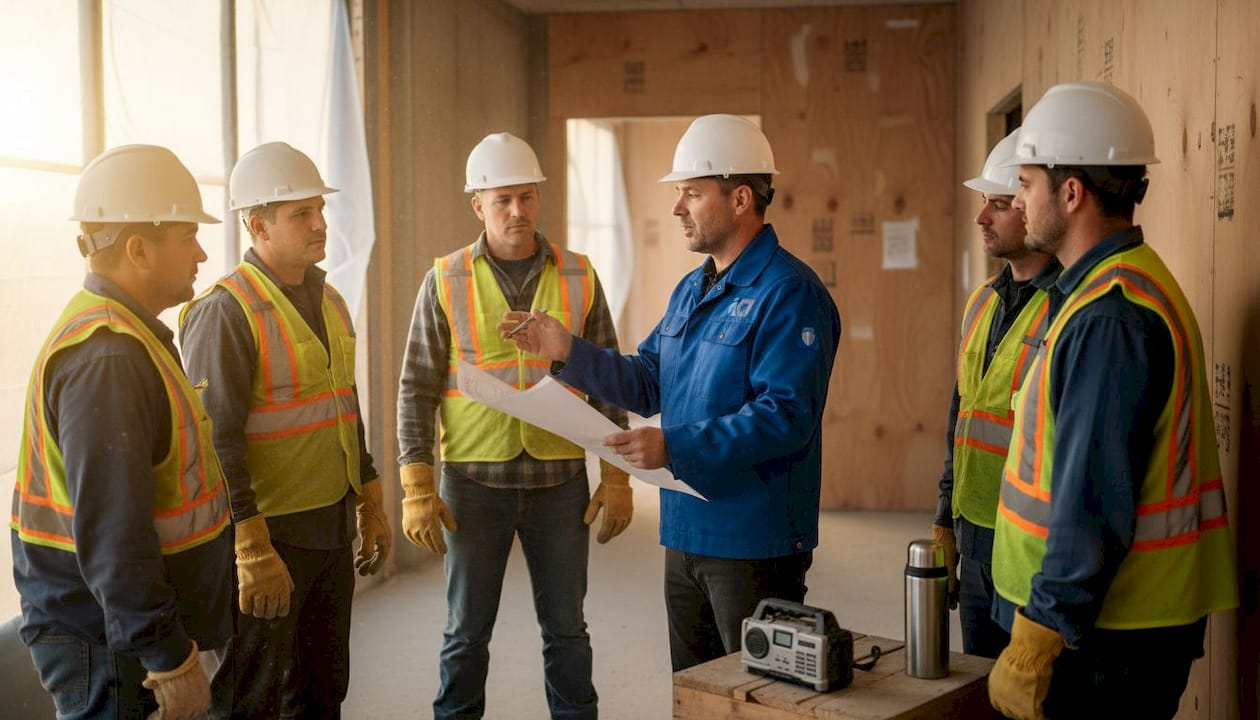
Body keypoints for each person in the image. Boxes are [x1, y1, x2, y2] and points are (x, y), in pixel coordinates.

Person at [505, 114, 842, 672]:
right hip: (685, 531)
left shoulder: (790, 293)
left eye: (691, 192)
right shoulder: (693, 288)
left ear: (739, 199)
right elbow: (648, 379)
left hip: (753, 541)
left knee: (753, 698)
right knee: (692, 692)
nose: (677, 207)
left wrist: (674, 446)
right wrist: (566, 350)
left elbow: (786, 416)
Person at [987, 81, 1239, 719]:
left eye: (1025, 184)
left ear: (1070, 193)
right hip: (1114, 626)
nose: (1015, 201)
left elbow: (1090, 502)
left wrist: (1040, 636)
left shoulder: (1111, 315)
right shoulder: (1102, 291)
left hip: (1106, 639)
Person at [396, 131, 632, 720]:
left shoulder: (578, 275)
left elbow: (607, 377)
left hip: (559, 483)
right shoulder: (445, 279)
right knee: (465, 633)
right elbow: (417, 387)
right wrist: (416, 485)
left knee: (568, 632)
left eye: (526, 197)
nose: (517, 211)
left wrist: (619, 474)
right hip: (473, 485)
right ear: (478, 204)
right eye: (502, 199)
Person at [11, 144, 232, 720]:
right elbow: (115, 535)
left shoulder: (127, 337)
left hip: (119, 630)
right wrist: (166, 656)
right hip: (107, 640)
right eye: (188, 237)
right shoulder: (107, 359)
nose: (203, 253)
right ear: (138, 248)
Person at [180, 141, 390, 719]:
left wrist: (369, 497)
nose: (321, 223)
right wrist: (250, 545)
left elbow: (343, 405)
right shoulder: (226, 311)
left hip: (327, 527)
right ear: (258, 225)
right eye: (302, 214)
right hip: (268, 539)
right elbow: (211, 442)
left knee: (324, 690)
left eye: (320, 209)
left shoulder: (331, 300)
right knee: (254, 697)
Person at [932, 129, 1060, 659]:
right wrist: (944, 519)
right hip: (973, 526)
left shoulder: (1068, 309)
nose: (982, 217)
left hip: (1029, 543)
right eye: (983, 203)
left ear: (1032, 210)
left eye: (1000, 204)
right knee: (976, 689)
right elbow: (960, 415)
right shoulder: (981, 302)